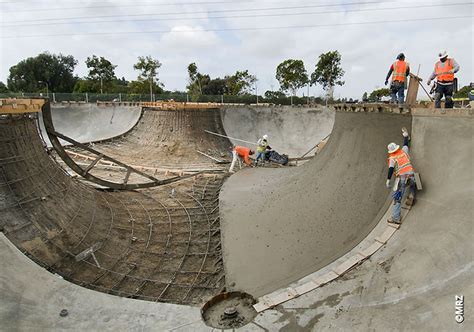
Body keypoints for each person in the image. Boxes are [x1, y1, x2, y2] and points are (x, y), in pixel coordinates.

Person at [386, 127, 416, 224]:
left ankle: (395, 218)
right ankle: (411, 195)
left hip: (402, 178)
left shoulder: (392, 158)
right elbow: (406, 143)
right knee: (413, 182)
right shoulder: (403, 151)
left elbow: (390, 169)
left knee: (397, 198)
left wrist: (388, 180)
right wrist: (406, 136)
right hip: (412, 175)